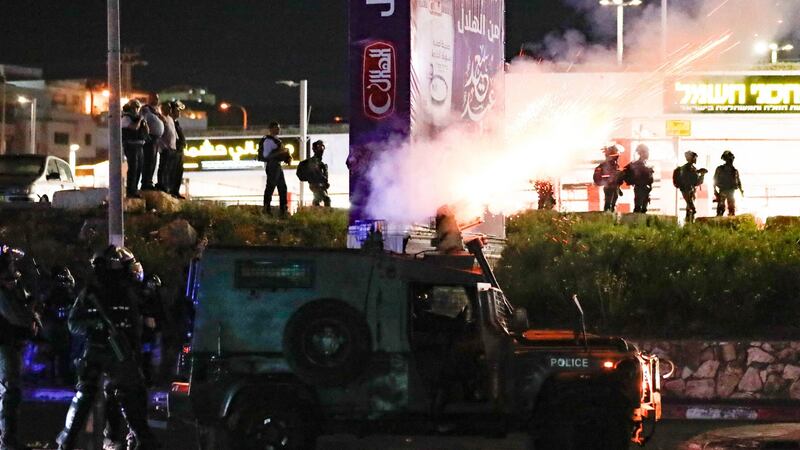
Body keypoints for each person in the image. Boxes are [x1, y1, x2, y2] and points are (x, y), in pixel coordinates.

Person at [55, 246, 158, 450]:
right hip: (97, 349)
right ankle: (67, 441)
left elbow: (140, 325)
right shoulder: (91, 293)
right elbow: (73, 323)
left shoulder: (129, 292)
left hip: (122, 350)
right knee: (85, 395)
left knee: (131, 394)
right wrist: (97, 324)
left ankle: (140, 438)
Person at [0, 246, 37, 450]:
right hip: (4, 346)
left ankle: (7, 439)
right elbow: (18, 317)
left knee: (9, 392)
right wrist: (29, 311)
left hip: (8, 344)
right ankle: (8, 440)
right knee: (11, 392)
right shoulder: (3, 294)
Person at [40, 266, 77, 385]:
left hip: (65, 322)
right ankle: (51, 376)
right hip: (53, 322)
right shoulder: (51, 289)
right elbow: (45, 302)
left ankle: (62, 375)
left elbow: (73, 301)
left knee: (64, 350)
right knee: (52, 350)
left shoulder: (68, 289)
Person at [260, 122, 291, 216]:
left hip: (277, 165)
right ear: (271, 129)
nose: (278, 129)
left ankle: (283, 209)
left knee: (283, 187)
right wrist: (281, 152)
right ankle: (266, 208)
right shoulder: (268, 141)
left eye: (279, 128)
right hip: (272, 165)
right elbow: (266, 156)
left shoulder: (276, 140)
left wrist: (286, 156)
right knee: (271, 187)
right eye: (276, 128)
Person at [121, 100, 149, 199]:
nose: (136, 110)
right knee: (133, 168)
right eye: (134, 107)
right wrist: (140, 119)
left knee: (139, 168)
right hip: (131, 145)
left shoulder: (138, 118)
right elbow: (134, 127)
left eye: (137, 108)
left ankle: (135, 189)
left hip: (139, 145)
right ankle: (131, 191)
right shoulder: (126, 118)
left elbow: (147, 130)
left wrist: (144, 121)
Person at [673, 151, 708, 223]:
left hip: (691, 191)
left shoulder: (692, 169)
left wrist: (702, 175)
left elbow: (697, 182)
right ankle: (689, 222)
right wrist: (700, 174)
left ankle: (689, 222)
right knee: (691, 208)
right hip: (686, 190)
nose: (695, 159)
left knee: (689, 208)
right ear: (690, 158)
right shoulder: (686, 169)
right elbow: (692, 181)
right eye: (694, 157)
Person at [139, 94, 165, 191]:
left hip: (156, 139)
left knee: (153, 161)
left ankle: (149, 181)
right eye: (154, 98)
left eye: (157, 99)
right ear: (149, 99)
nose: (156, 100)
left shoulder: (156, 110)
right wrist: (147, 136)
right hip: (150, 139)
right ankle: (145, 182)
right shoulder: (146, 109)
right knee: (148, 161)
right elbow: (142, 121)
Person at [622, 144, 655, 213]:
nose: (647, 154)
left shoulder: (645, 164)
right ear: (641, 153)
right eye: (645, 152)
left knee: (644, 209)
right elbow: (626, 171)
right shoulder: (636, 164)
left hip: (646, 189)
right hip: (640, 188)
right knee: (638, 208)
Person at [593, 145, 623, 212]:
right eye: (616, 155)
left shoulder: (615, 165)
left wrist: (619, 189)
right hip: (609, 186)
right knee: (608, 201)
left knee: (614, 200)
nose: (617, 157)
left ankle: (611, 212)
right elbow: (610, 176)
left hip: (614, 187)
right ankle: (607, 213)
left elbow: (616, 177)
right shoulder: (605, 165)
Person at [155, 103, 177, 193]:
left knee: (170, 169)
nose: (169, 109)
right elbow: (160, 133)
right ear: (163, 109)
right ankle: (161, 184)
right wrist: (163, 146)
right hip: (165, 148)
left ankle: (167, 185)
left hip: (172, 147)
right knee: (163, 167)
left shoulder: (170, 119)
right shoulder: (161, 118)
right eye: (167, 108)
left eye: (170, 108)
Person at [713, 150, 743, 217]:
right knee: (721, 207)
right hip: (723, 190)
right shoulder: (720, 169)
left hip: (731, 191)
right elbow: (714, 180)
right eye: (730, 158)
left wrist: (741, 190)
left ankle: (730, 219)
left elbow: (738, 181)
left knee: (731, 208)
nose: (732, 160)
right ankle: (719, 219)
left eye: (732, 158)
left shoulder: (734, 171)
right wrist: (715, 191)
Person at [168, 101, 186, 199]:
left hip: (179, 151)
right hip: (174, 150)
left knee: (179, 172)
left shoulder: (176, 122)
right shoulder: (169, 121)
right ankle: (172, 191)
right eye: (177, 110)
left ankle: (176, 191)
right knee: (173, 172)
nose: (179, 112)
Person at [308, 140, 331, 208]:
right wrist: (324, 180)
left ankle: (316, 209)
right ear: (315, 149)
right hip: (316, 185)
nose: (322, 150)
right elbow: (316, 173)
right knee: (326, 199)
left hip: (319, 185)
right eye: (319, 147)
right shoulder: (314, 161)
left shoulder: (319, 162)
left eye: (323, 147)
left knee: (318, 199)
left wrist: (325, 171)